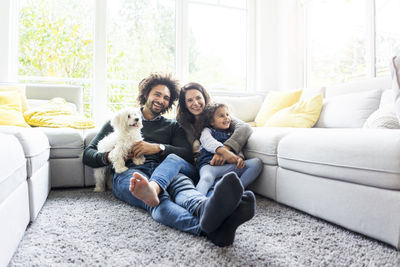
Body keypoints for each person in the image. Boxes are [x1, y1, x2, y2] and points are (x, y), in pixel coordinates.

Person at [83, 73, 254, 247]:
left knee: (185, 191)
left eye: (166, 98)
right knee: (158, 201)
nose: (161, 100)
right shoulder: (120, 120)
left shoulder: (172, 126)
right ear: (146, 94)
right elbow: (88, 154)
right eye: (157, 94)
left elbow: (186, 155)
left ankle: (204, 209)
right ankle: (210, 230)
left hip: (166, 170)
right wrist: (109, 155)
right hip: (129, 172)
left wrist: (158, 147)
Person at [196, 102, 262, 194]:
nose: (226, 117)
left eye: (227, 114)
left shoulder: (232, 133)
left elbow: (238, 148)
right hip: (209, 165)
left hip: (228, 167)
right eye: (221, 116)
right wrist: (223, 152)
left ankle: (237, 192)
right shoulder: (207, 131)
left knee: (256, 163)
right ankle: (197, 202)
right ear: (212, 121)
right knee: (206, 178)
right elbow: (207, 141)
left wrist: (239, 159)